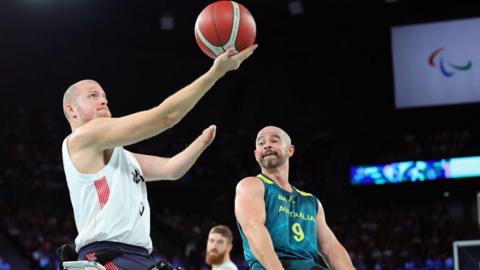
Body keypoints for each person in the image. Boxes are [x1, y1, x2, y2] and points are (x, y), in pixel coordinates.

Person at [61, 45, 257, 270]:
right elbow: (166, 117)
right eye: (93, 95)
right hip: (106, 256)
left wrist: (201, 143)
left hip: (136, 256)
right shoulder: (82, 138)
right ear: (72, 110)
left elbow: (172, 170)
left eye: (104, 96)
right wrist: (216, 72)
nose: (104, 100)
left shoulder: (123, 157)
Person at [234, 126, 356, 270]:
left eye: (274, 140)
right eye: (261, 143)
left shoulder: (311, 202)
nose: (267, 145)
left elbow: (330, 247)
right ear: (256, 155)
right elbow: (253, 227)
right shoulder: (251, 185)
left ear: (290, 150)